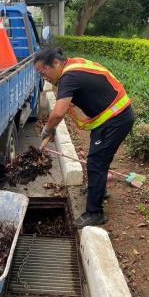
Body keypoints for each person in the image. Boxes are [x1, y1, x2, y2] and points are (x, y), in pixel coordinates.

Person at [34, 48, 135, 228]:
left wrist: (48, 129)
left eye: (44, 71)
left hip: (115, 119)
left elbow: (58, 113)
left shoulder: (69, 77)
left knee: (96, 161)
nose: (44, 77)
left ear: (55, 64)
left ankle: (95, 213)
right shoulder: (73, 65)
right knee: (99, 158)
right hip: (110, 117)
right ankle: (99, 190)